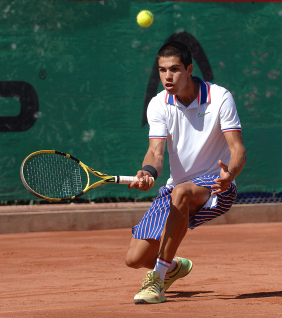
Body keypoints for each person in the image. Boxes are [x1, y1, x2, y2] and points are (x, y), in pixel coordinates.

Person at [126, 41, 246, 304]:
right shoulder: (158, 104)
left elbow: (237, 149)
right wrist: (148, 171)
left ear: (189, 69)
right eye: (162, 70)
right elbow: (155, 153)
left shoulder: (220, 97)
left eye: (175, 69)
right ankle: (173, 266)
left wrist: (230, 174)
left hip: (217, 185)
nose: (167, 76)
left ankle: (156, 281)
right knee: (134, 259)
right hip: (177, 187)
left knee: (181, 192)